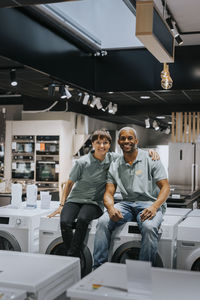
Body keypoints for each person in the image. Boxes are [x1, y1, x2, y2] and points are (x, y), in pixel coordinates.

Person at [48, 129, 159, 261]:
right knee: (65, 222)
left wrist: (149, 152)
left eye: (105, 143)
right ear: (93, 143)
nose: (101, 146)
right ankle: (72, 254)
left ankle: (73, 258)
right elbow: (69, 183)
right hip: (75, 200)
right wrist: (62, 204)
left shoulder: (112, 158)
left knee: (83, 219)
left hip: (94, 203)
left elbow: (131, 152)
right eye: (98, 142)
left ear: (109, 144)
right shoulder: (82, 162)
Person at [93, 127, 170, 268]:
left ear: (136, 141)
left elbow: (165, 187)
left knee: (149, 227)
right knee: (103, 222)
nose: (126, 141)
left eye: (130, 138)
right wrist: (110, 208)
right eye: (123, 138)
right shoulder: (115, 164)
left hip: (149, 203)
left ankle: (142, 273)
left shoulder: (151, 158)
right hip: (127, 204)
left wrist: (154, 207)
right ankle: (99, 269)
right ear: (119, 142)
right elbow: (108, 193)